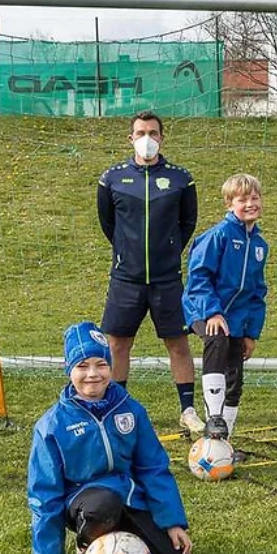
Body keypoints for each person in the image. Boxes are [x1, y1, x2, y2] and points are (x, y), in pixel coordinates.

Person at [28, 321, 192, 554]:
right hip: (86, 503)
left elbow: (153, 468)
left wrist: (173, 522)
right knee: (102, 507)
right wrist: (48, 552)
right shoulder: (51, 425)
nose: (92, 374)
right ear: (68, 370)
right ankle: (87, 548)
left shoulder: (131, 410)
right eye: (82, 366)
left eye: (101, 365)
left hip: (129, 497)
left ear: (111, 367)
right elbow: (44, 491)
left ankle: (123, 534)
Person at [97, 110, 198, 428]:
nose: (147, 139)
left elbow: (188, 223)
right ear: (130, 138)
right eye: (141, 133)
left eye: (153, 133)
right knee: (117, 343)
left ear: (162, 138)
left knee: (178, 344)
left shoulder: (181, 179)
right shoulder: (111, 178)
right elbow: (108, 224)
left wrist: (167, 251)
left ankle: (188, 410)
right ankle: (115, 405)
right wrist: (127, 254)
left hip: (168, 279)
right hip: (126, 279)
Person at [182, 174, 268, 441]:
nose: (250, 204)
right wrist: (212, 311)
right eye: (243, 199)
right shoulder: (217, 236)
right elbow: (199, 277)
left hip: (237, 320)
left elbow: (256, 293)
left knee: (235, 377)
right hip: (202, 309)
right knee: (216, 336)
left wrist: (251, 333)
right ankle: (214, 417)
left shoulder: (260, 245)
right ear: (230, 204)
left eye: (255, 198)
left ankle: (223, 442)